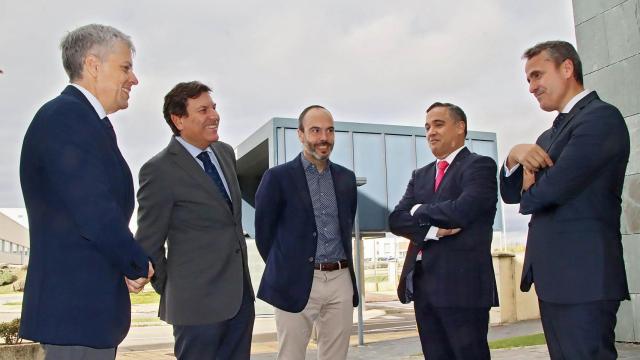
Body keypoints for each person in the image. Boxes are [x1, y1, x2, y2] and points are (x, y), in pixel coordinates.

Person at [19, 24, 153, 359]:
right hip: (74, 312)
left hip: (84, 313)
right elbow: (94, 212)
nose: (133, 79)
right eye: (125, 67)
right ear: (93, 65)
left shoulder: (86, 122)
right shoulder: (66, 118)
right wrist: (137, 263)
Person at [500, 40, 630, 359]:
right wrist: (513, 158)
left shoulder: (600, 118)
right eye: (528, 80)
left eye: (537, 75)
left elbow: (550, 191)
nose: (532, 87)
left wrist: (531, 188)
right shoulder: (548, 137)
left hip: (584, 277)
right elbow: (508, 193)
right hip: (555, 278)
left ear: (567, 68)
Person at [135, 81, 254, 360]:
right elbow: (149, 243)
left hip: (239, 301)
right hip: (195, 308)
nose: (214, 115)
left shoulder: (225, 154)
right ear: (179, 120)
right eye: (203, 109)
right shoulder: (159, 170)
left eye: (213, 107)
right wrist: (178, 289)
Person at [389, 102, 498, 359]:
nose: (430, 132)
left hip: (464, 288)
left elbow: (463, 210)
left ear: (460, 127)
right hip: (424, 287)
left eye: (438, 124)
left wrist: (418, 210)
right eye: (427, 127)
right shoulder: (420, 175)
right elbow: (395, 220)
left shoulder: (480, 166)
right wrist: (433, 231)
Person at [255, 105, 358, 360]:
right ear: (300, 135)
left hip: (340, 280)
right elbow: (264, 235)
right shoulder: (277, 178)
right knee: (290, 355)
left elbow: (345, 226)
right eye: (315, 130)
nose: (324, 137)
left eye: (329, 131)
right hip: (296, 280)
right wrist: (290, 267)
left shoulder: (346, 179)